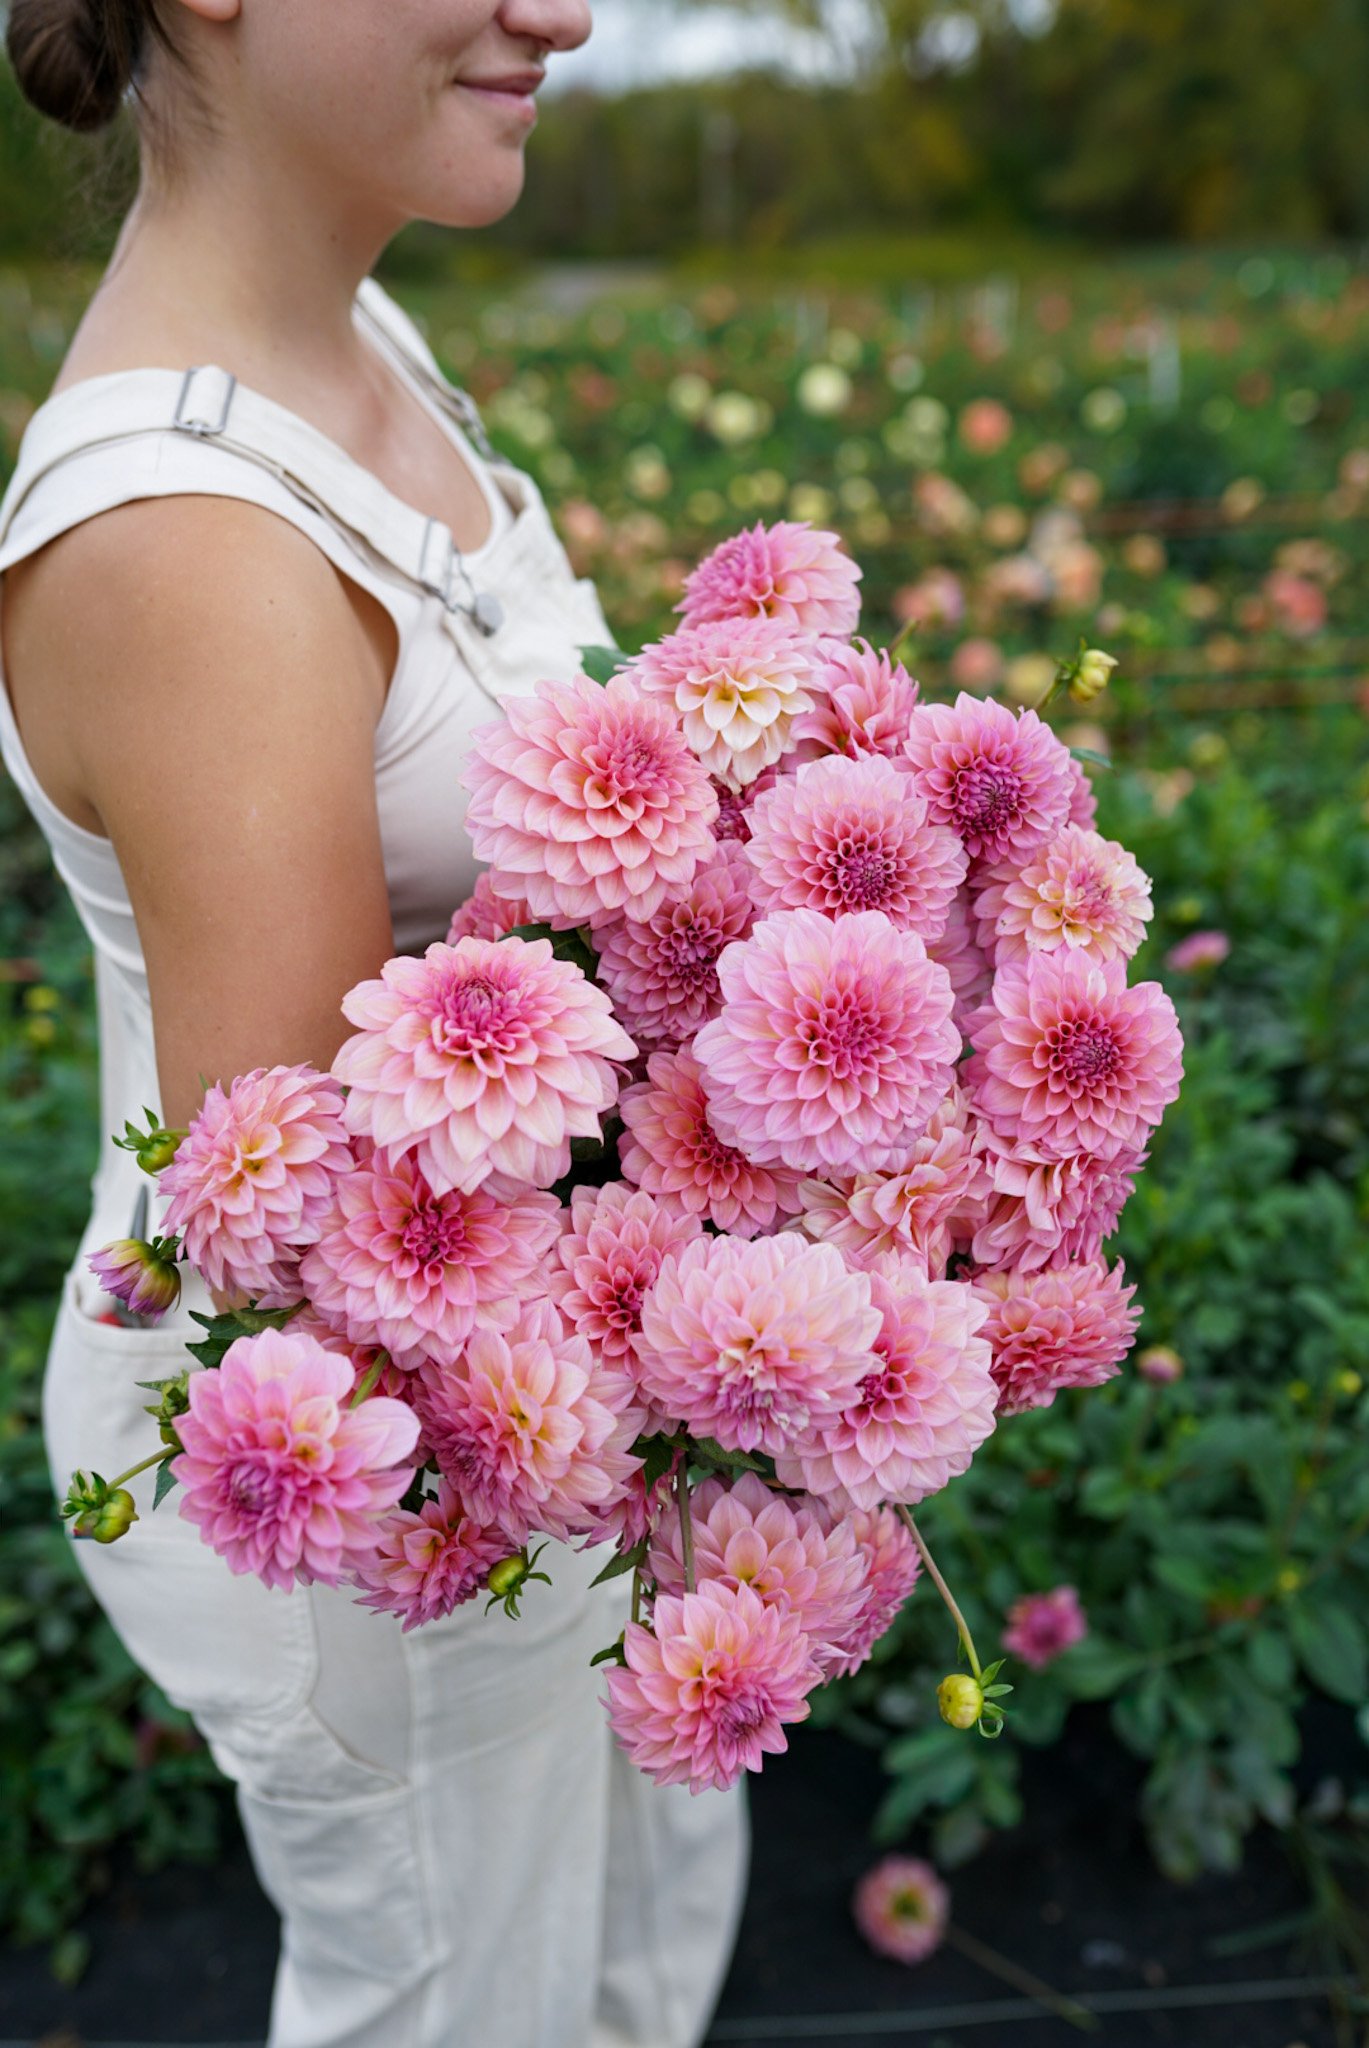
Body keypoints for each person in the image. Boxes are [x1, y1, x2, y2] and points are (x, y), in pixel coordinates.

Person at [0, 5, 749, 2044]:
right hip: (386, 1480)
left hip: (549, 1415)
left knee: (627, 1956)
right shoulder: (188, 544)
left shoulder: (357, 342)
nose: (563, 14)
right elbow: (322, 1249)